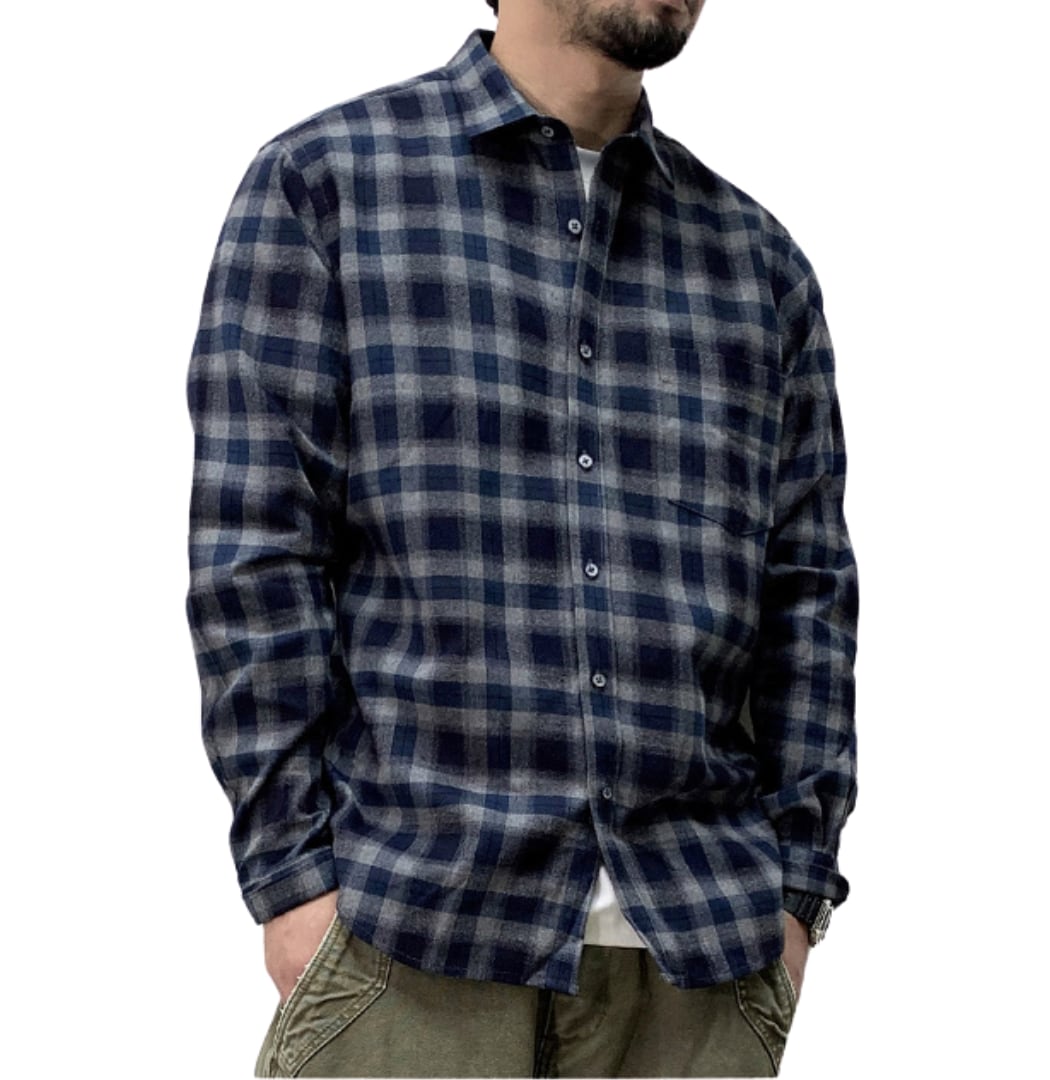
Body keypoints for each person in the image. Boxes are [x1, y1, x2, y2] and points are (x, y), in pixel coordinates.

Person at [185, 0, 858, 1075]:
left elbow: (809, 593)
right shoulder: (329, 187)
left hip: (697, 971)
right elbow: (255, 555)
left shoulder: (759, 266)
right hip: (406, 947)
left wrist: (795, 894)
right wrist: (294, 882)